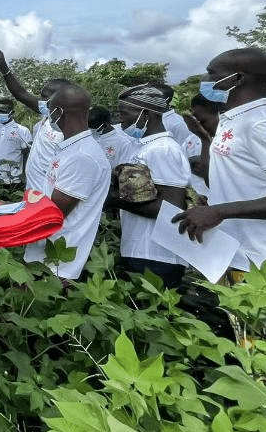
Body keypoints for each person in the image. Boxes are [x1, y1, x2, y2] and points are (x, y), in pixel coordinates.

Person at [174, 48, 266, 337]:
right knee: (249, 361)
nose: (206, 79)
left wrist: (221, 211)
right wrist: (213, 202)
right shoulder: (232, 120)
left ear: (237, 79)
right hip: (242, 261)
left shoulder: (264, 124)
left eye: (212, 73)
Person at [23, 83, 110, 281]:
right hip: (43, 256)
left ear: (58, 112)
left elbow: (50, 216)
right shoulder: (70, 149)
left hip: (55, 268)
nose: (48, 115)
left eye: (50, 109)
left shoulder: (82, 156)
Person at [106, 85, 190, 288]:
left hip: (156, 255)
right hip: (140, 250)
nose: (120, 119)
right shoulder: (141, 147)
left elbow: (172, 208)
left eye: (125, 113)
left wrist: (114, 200)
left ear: (146, 113)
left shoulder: (163, 149)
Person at [0, 49, 70, 193]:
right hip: (34, 192)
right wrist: (4, 68)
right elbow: (21, 94)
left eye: (45, 98)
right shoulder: (47, 116)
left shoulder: (70, 127)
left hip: (52, 194)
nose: (41, 101)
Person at [0, 98, 32, 185]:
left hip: (14, 179)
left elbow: (27, 155)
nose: (0, 114)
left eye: (3, 111)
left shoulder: (22, 131)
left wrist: (25, 176)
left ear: (12, 113)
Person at [88, 106, 138, 171]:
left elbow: (123, 170)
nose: (92, 130)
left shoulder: (123, 143)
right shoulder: (88, 137)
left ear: (106, 125)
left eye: (95, 128)